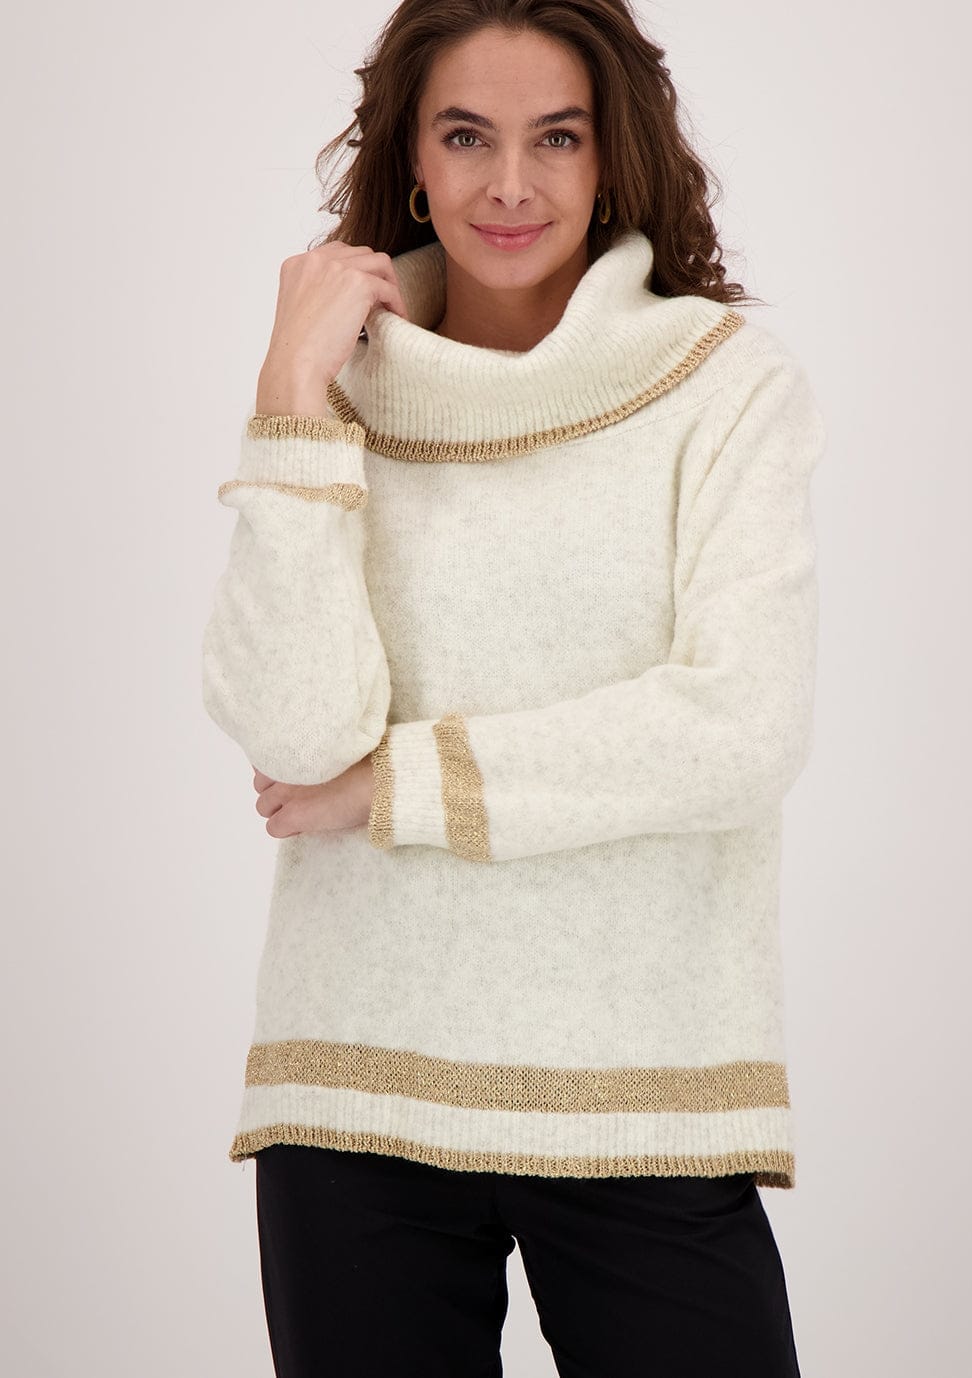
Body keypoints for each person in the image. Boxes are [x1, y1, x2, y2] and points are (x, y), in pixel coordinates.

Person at [201, 2, 826, 1374]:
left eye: (557, 138)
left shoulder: (718, 386)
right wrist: (288, 392)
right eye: (466, 136)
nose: (510, 184)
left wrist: (390, 785)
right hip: (355, 1089)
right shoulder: (335, 389)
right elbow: (295, 731)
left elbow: (741, 726)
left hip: (643, 1093)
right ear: (413, 165)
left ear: (613, 160)